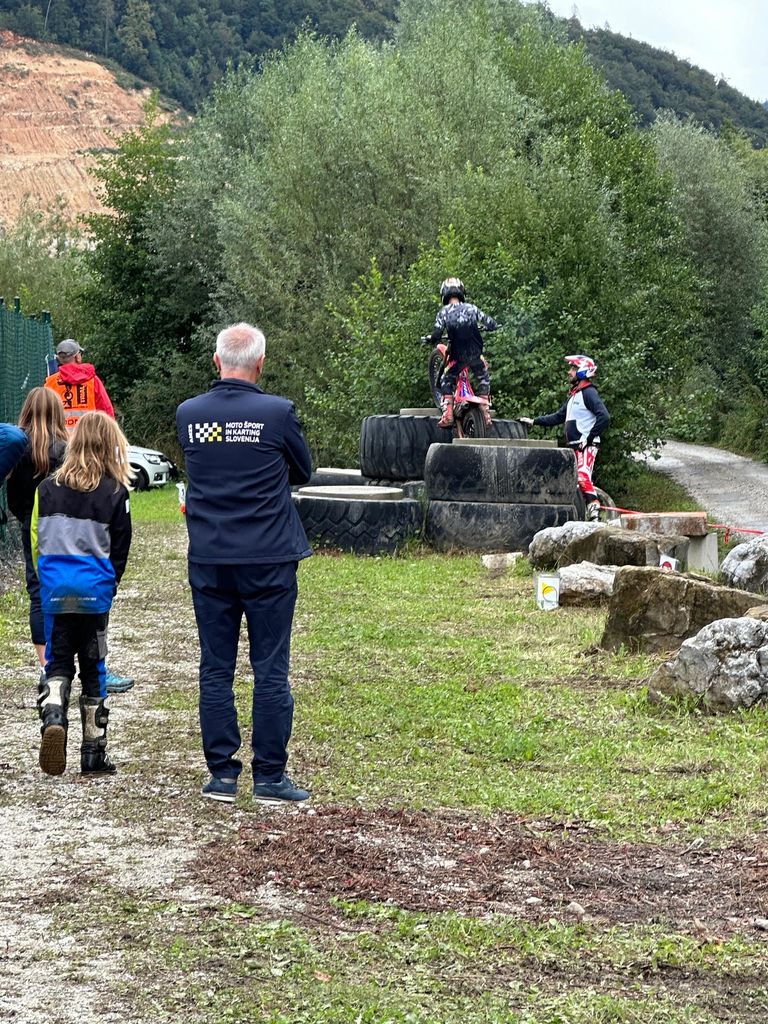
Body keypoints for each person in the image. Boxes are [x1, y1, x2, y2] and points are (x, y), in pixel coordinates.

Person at [176, 322, 313, 805]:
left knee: (216, 667)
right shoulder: (277, 413)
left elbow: (205, 463)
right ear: (260, 363)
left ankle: (222, 775)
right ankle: (270, 777)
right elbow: (303, 469)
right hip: (269, 557)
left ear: (217, 361)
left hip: (211, 557)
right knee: (270, 667)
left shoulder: (190, 414)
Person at [32, 411, 133, 776]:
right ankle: (93, 753)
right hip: (94, 593)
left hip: (56, 590)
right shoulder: (115, 492)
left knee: (58, 660)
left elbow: (37, 538)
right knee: (94, 667)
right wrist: (110, 584)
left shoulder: (46, 489)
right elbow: (121, 546)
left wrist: (46, 580)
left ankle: (54, 713)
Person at [44, 343, 134, 694]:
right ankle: (97, 677)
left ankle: (54, 681)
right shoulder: (93, 381)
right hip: (96, 464)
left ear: (59, 360)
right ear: (78, 356)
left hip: (62, 462)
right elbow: (107, 415)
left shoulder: (51, 383)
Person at [7, 388, 68, 680]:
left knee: (37, 592)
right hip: (64, 529)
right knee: (66, 587)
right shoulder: (66, 449)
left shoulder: (17, 449)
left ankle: (46, 665)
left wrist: (25, 519)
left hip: (30, 526)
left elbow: (14, 497)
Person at [519, 354, 610, 522]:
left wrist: (589, 438)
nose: (569, 372)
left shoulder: (589, 393)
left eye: (573, 368)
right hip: (574, 446)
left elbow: (604, 416)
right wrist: (533, 421)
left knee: (582, 475)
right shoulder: (575, 395)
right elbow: (557, 417)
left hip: (585, 444)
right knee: (573, 481)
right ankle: (583, 514)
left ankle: (594, 509)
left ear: (583, 371)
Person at [427, 277, 498, 428]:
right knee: (483, 376)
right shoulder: (472, 308)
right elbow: (490, 322)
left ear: (444, 294)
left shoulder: (444, 312)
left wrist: (432, 339)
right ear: (461, 292)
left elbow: (437, 333)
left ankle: (448, 414)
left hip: (458, 356)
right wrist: (493, 327)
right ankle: (485, 410)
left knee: (447, 379)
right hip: (475, 353)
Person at [44, 339, 114, 432]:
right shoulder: (92, 379)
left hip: (59, 436)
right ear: (77, 357)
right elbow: (106, 410)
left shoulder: (50, 382)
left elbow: (43, 412)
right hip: (88, 436)